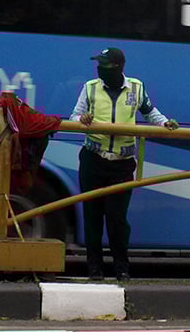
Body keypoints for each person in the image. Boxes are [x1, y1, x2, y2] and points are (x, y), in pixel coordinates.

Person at [70, 47, 178, 281]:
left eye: (104, 65)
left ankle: (121, 267)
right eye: (98, 65)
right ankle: (95, 268)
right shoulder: (90, 88)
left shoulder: (136, 88)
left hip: (122, 163)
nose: (99, 69)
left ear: (118, 67)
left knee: (117, 217)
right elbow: (74, 116)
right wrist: (83, 119)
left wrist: (165, 123)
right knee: (92, 216)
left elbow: (151, 113)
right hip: (93, 159)